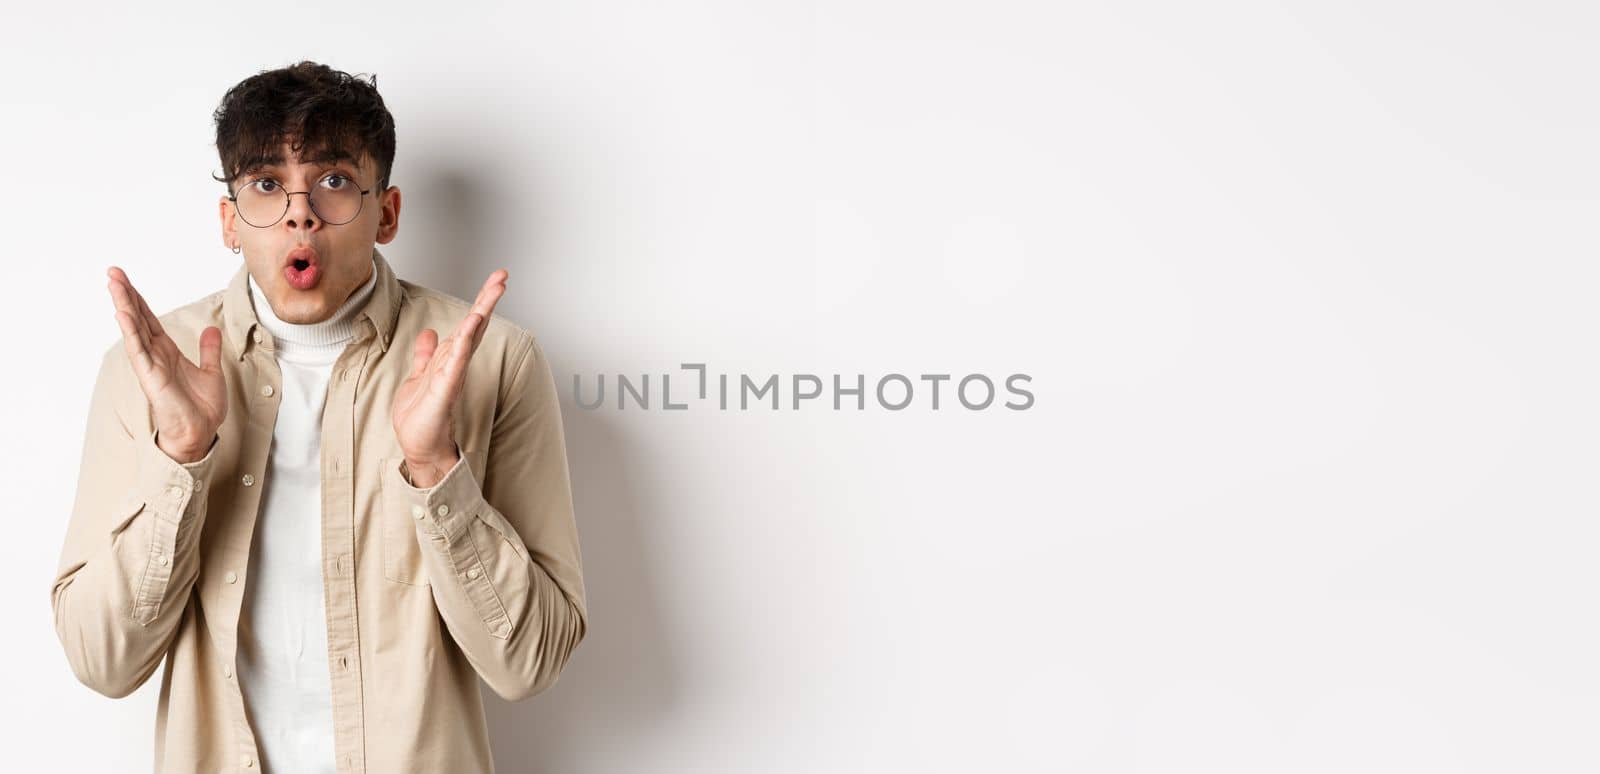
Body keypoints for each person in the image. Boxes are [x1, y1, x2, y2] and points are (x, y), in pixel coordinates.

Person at [48, 60, 588, 774]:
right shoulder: (149, 367)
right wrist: (180, 455)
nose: (300, 213)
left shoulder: (493, 361)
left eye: (333, 180)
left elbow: (532, 663)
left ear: (387, 212)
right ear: (230, 222)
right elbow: (102, 661)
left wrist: (436, 470)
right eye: (267, 184)